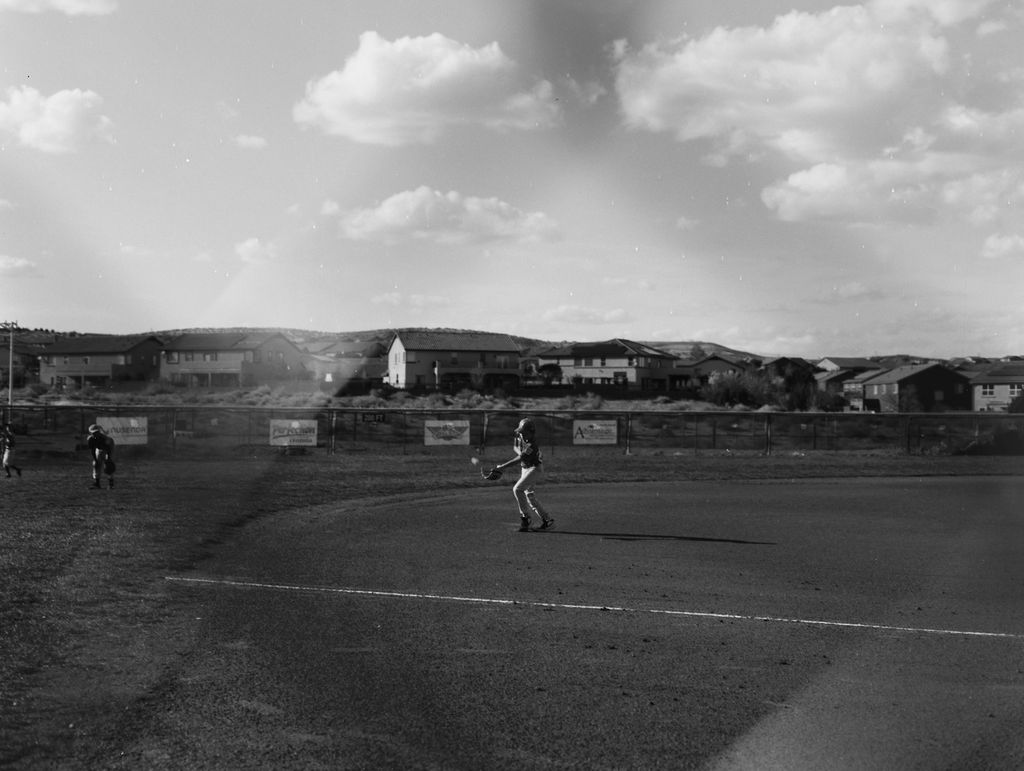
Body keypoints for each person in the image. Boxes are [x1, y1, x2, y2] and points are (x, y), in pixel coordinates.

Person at [493, 417, 554, 532]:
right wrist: (520, 450)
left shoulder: (532, 445)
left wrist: (502, 467)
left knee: (517, 489)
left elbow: (519, 458)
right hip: (525, 469)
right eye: (520, 432)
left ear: (531, 432)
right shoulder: (521, 437)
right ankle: (548, 520)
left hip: (534, 469)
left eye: (523, 432)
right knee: (529, 496)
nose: (521, 434)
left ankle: (526, 518)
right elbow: (516, 447)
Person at [87, 424, 116, 489]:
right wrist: (95, 459)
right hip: (99, 449)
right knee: (96, 465)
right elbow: (92, 450)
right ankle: (97, 484)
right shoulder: (90, 439)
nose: (95, 433)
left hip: (108, 449)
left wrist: (108, 458)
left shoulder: (105, 439)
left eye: (97, 432)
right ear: (91, 433)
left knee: (108, 466)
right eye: (94, 432)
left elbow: (109, 449)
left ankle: (111, 484)